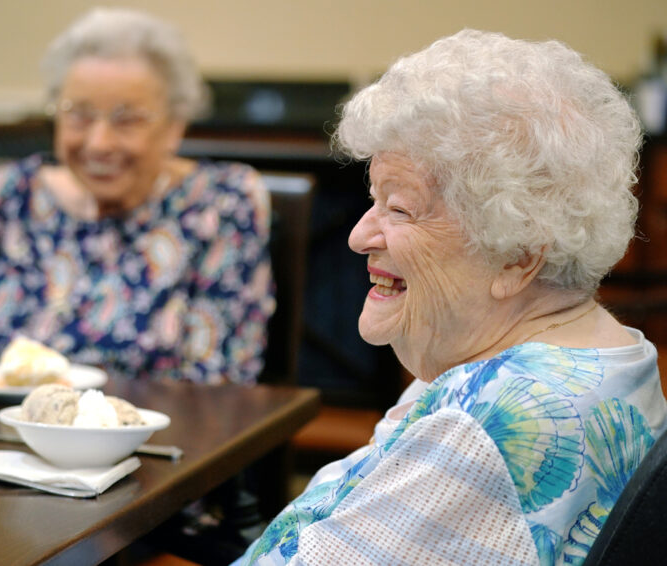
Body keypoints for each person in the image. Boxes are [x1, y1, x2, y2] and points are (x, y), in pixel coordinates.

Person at [233, 30, 667, 565]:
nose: (359, 235)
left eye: (400, 210)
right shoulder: (612, 352)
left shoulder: (486, 430)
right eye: (375, 200)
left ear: (517, 255)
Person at [0, 7, 274, 383]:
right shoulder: (7, 192)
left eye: (127, 120)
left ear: (175, 126)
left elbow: (223, 381)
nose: (99, 143)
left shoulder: (221, 202)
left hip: (153, 439)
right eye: (78, 115)